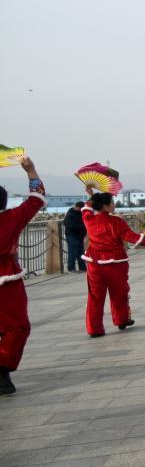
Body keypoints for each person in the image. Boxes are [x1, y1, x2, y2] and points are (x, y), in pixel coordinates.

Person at [82, 189, 145, 337]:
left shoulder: (88, 219)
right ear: (106, 206)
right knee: (119, 293)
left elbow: (87, 209)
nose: (114, 205)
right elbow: (132, 237)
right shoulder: (116, 221)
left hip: (94, 263)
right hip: (115, 263)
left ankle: (94, 329)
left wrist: (91, 196)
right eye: (112, 203)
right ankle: (121, 320)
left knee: (95, 297)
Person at [0, 156, 45, 395]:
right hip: (6, 280)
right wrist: (30, 170)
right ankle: (2, 369)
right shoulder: (11, 219)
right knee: (16, 327)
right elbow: (37, 199)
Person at [63, 201, 87, 272]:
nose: (81, 210)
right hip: (72, 235)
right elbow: (68, 224)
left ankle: (82, 268)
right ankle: (71, 268)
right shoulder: (70, 213)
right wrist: (81, 227)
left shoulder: (81, 213)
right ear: (77, 207)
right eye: (81, 208)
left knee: (81, 252)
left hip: (80, 235)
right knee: (72, 252)